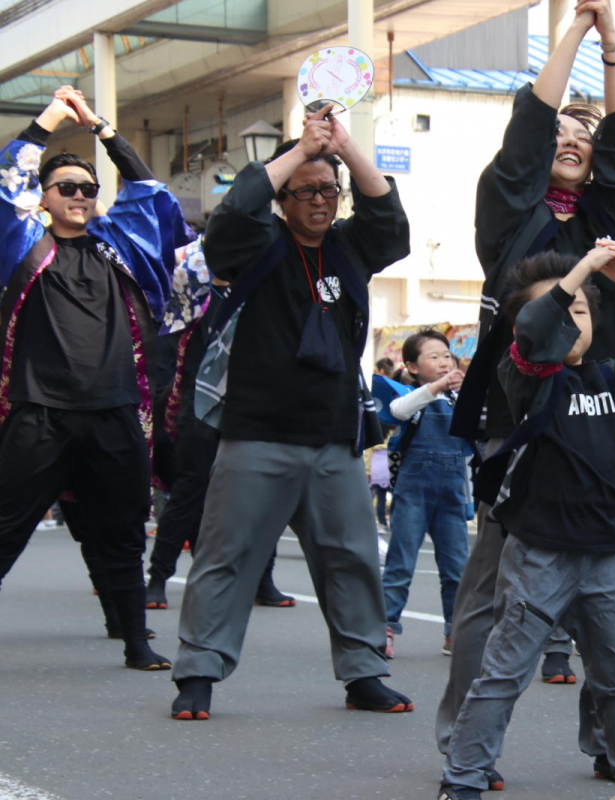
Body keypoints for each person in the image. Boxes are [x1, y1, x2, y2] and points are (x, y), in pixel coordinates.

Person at [438, 0, 615, 786]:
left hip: (607, 428)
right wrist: (570, 29)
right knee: (492, 599)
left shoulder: (614, 222)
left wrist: (611, 44)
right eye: (564, 131)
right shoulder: (510, 215)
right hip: (520, 424)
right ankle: (462, 743)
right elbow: (526, 132)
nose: (574, 139)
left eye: (586, 135)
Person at [168, 105, 413, 720]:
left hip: (333, 438)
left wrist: (344, 148)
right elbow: (228, 219)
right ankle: (198, 673)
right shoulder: (258, 244)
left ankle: (364, 674)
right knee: (227, 555)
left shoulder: (352, 248)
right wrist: (298, 150)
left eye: (330, 191)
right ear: (284, 198)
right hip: (257, 433)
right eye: (306, 191)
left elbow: (391, 221)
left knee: (352, 557)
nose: (321, 202)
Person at [439, 241, 615, 800]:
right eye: (564, 307)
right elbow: (533, 328)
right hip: (541, 556)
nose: (572, 317)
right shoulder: (524, 374)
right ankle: (462, 780)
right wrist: (581, 269)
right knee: (503, 674)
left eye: (582, 309)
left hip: (606, 555)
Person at [0, 86, 193, 671]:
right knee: (6, 526)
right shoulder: (22, 244)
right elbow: (6, 185)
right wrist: (50, 122)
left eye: (89, 188)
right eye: (67, 188)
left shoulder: (121, 247)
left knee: (121, 533)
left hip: (115, 411)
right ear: (44, 196)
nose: (81, 196)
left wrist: (104, 131)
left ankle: (136, 639)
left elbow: (151, 194)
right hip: (38, 412)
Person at [144, 242, 295, 611]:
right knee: (188, 495)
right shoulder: (193, 295)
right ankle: (157, 579)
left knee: (264, 498)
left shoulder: (261, 293)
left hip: (254, 408)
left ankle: (263, 580)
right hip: (199, 406)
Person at [378, 329, 471, 659]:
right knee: (400, 563)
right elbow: (399, 410)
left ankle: (454, 631)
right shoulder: (408, 392)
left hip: (451, 494)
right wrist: (435, 388)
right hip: (413, 491)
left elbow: (476, 432)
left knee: (457, 568)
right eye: (433, 357)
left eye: (447, 355)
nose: (444, 362)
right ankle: (385, 628)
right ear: (413, 367)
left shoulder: (461, 396)